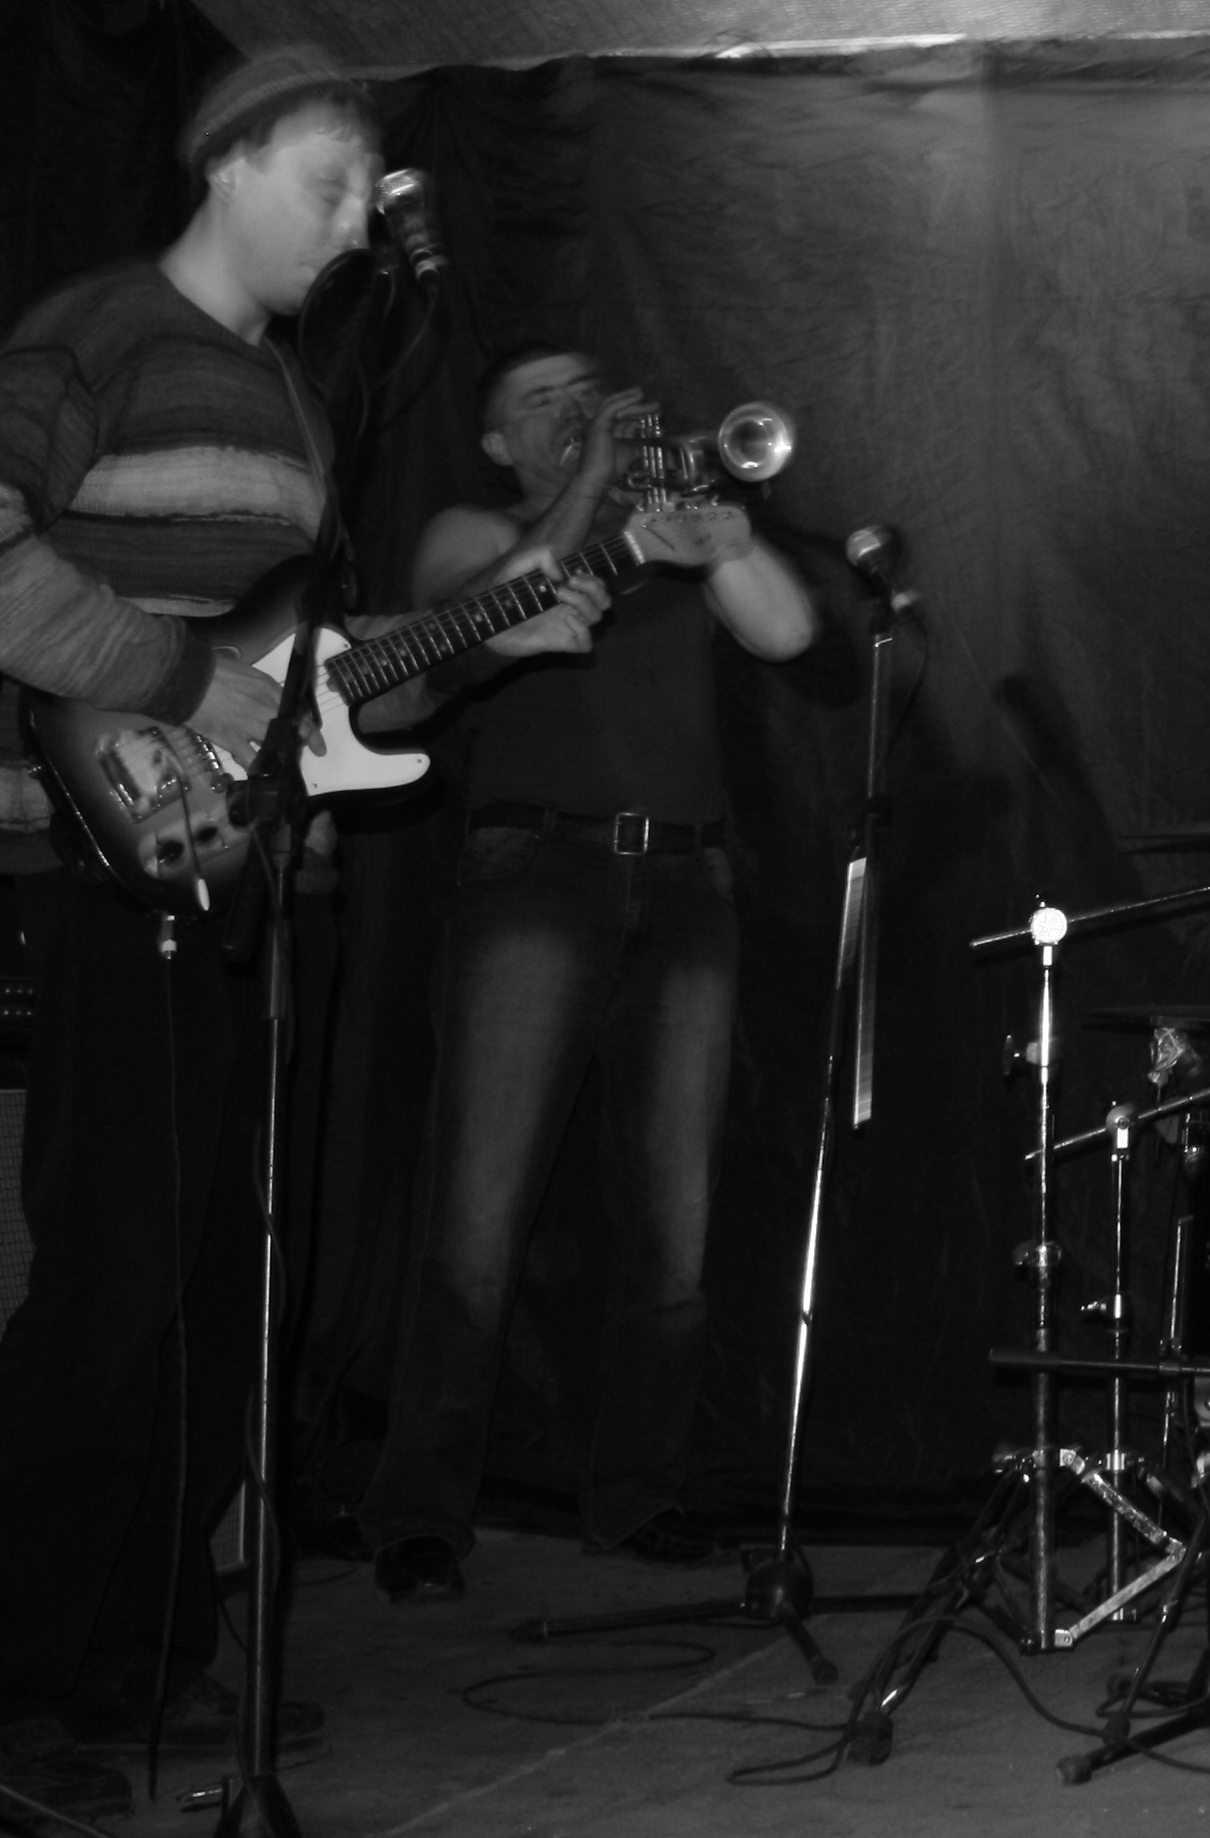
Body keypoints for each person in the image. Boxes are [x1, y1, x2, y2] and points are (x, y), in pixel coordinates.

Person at [0, 47, 607, 1821]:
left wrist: (477, 644)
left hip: (238, 881)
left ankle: (135, 1660)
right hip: (113, 868)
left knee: (209, 1298)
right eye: (327, 183)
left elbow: (305, 687)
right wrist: (175, 676)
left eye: (365, 193)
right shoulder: (105, 333)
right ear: (227, 158)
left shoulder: (289, 397)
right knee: (109, 1287)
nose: (353, 225)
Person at [362, 349, 817, 1600]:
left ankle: (639, 1494)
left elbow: (787, 633)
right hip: (534, 876)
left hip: (688, 884)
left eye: (588, 390)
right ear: (496, 442)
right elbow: (473, 615)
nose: (575, 407)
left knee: (675, 1223)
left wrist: (707, 525)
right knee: (476, 1216)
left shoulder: (663, 531)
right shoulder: (474, 528)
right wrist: (596, 492)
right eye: (541, 399)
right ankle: (418, 1512)